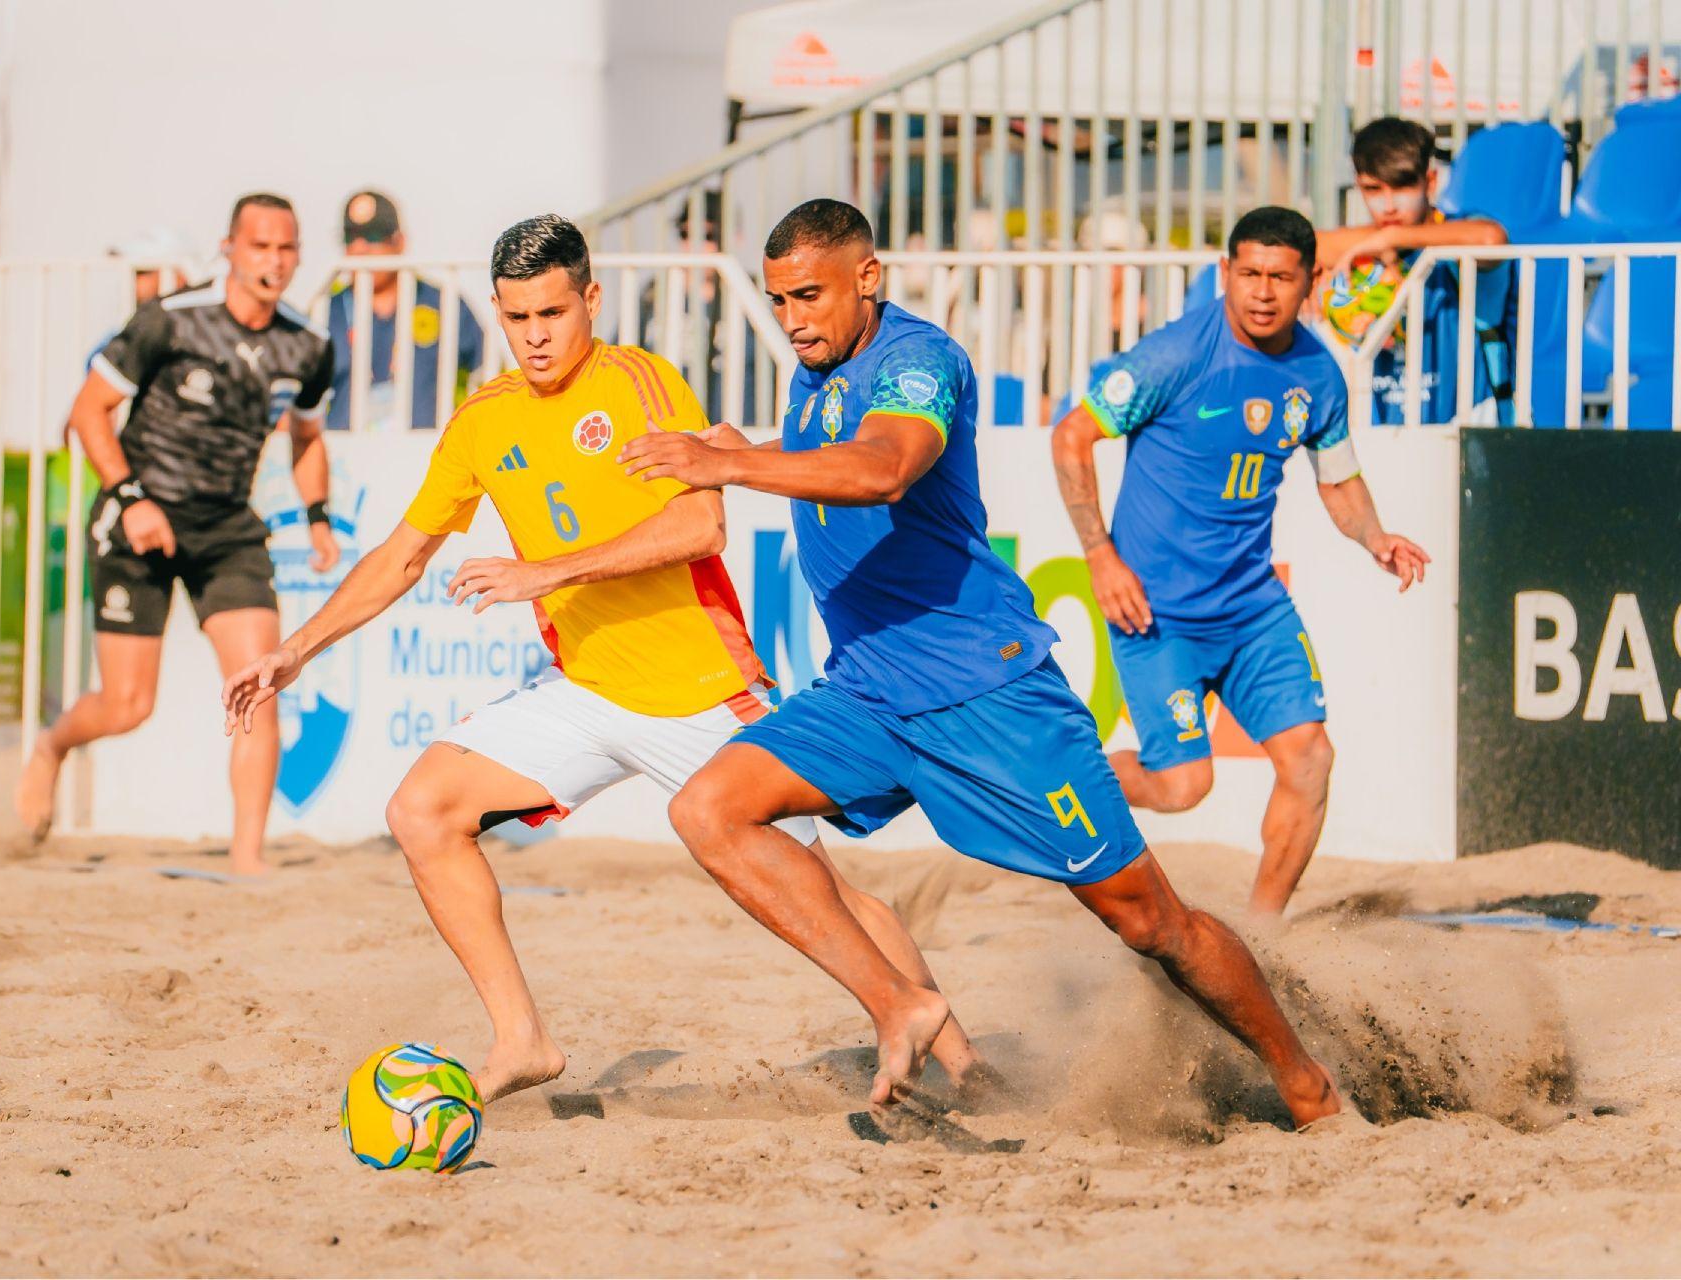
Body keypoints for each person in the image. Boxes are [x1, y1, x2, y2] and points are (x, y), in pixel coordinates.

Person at [220, 214, 993, 1104]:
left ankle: (960, 1058)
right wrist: (293, 652)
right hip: (583, 688)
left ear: (590, 299)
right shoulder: (484, 419)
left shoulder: (640, 381)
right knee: (422, 811)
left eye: (553, 312)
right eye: (517, 319)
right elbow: (403, 553)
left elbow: (699, 522)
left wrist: (543, 571)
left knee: (822, 890)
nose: (537, 336)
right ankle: (523, 1039)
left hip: (704, 692)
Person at [622, 198, 1341, 1128]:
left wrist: (729, 467)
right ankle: (901, 1003)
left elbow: (882, 467)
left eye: (809, 295)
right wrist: (738, 449)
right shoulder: (818, 368)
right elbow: (820, 455)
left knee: (1150, 922)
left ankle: (1305, 1081)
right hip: (871, 691)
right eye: (779, 301)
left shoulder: (918, 362)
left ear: (868, 279)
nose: (792, 318)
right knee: (710, 809)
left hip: (987, 692)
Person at [1051, 206, 1431, 916]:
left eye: (1280, 277)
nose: (1262, 292)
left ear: (1310, 282)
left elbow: (1339, 476)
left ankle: (1261, 936)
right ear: (1225, 273)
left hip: (1252, 608)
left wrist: (1375, 537)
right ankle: (1054, 783)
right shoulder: (1175, 355)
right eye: (1249, 273)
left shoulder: (1317, 374)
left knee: (1311, 760)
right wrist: (1100, 556)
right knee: (1182, 787)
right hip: (1156, 613)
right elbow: (1072, 436)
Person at [15, 193, 339, 876]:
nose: (273, 261)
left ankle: (246, 860)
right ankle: (51, 747)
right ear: (229, 249)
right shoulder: (169, 319)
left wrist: (317, 519)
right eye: (260, 246)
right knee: (128, 706)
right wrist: (131, 499)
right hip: (140, 519)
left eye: (286, 248)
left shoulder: (307, 345)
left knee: (259, 688)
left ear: (299, 255)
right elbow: (88, 412)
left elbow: (307, 439)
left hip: (226, 529)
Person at [1315, 117, 1512, 425]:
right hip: (1383, 424)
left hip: (1464, 422)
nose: (1388, 205)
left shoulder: (1456, 235)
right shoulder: (1363, 246)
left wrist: (1392, 238)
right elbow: (1308, 245)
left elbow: (1492, 239)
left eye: (1403, 185)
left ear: (1430, 182)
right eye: (1373, 189)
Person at [324, 189, 484, 431]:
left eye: (373, 236)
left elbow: (489, 376)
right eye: (349, 237)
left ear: (399, 242)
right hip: (343, 462)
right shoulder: (325, 311)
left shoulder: (444, 304)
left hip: (425, 458)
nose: (359, 248)